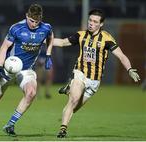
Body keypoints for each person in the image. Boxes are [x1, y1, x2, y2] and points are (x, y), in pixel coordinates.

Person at [53, 9, 140, 138]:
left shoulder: (107, 39)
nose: (91, 23)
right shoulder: (81, 35)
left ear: (101, 24)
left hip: (94, 81)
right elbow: (61, 42)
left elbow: (121, 56)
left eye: (95, 21)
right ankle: (62, 130)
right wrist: (42, 40)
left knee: (74, 108)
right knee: (74, 99)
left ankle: (69, 90)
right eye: (90, 20)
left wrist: (130, 69)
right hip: (80, 73)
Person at [0, 3, 54, 137]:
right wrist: (0, 67)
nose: (34, 24)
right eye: (32, 21)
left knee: (31, 92)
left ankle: (10, 124)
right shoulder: (16, 28)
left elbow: (51, 38)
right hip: (9, 68)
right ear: (27, 16)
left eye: (37, 21)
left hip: (27, 70)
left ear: (41, 19)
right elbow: (4, 48)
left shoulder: (46, 28)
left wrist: (48, 55)